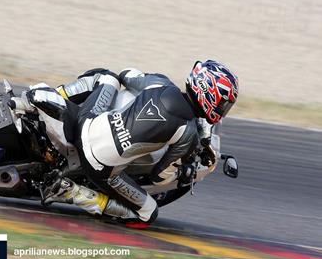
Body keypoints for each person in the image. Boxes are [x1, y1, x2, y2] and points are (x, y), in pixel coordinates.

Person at [13, 60, 239, 225]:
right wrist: (184, 172)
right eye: (223, 104)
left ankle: (51, 97)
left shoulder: (160, 84)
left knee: (107, 77)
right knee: (148, 213)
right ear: (209, 95)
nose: (222, 110)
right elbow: (159, 176)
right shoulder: (188, 134)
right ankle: (70, 193)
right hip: (99, 166)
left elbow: (126, 74)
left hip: (87, 123)